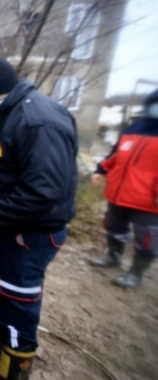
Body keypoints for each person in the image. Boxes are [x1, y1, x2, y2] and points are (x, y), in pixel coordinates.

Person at [0, 56, 77, 380]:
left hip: (32, 233)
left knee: (17, 300)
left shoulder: (36, 120)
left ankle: (14, 372)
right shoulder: (12, 111)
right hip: (12, 226)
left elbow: (42, 192)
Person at [89, 88, 158, 287]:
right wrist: (100, 170)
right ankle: (113, 255)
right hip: (119, 192)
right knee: (114, 226)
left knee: (147, 236)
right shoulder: (133, 129)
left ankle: (137, 272)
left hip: (149, 198)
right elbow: (114, 154)